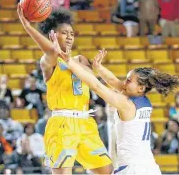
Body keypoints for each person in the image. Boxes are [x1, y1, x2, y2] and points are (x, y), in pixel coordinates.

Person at [53, 41, 179, 174]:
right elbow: (114, 81)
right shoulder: (143, 101)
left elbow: (96, 86)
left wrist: (70, 63)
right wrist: (99, 67)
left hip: (133, 169)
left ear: (140, 88)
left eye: (129, 81)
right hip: (149, 167)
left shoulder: (126, 104)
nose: (124, 83)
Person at [17, 5, 113, 174]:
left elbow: (93, 80)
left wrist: (71, 61)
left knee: (106, 170)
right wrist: (27, 27)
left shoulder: (80, 60)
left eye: (71, 33)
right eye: (64, 33)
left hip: (86, 123)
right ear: (52, 35)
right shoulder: (48, 62)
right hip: (62, 124)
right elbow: (51, 51)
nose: (69, 37)